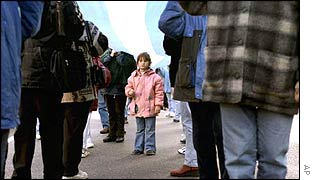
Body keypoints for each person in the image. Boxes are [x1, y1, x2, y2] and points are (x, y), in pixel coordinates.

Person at [179, 1, 299, 179]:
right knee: (237, 163)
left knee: (273, 163)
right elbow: (193, 6)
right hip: (231, 73)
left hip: (278, 72)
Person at [159, 1, 228, 178]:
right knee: (203, 139)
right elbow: (167, 23)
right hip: (197, 85)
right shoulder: (191, 14)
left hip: (225, 85)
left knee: (225, 139)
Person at [1, 2, 43, 179]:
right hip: (34, 77)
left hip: (25, 79)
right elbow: (30, 22)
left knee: (25, 130)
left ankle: (21, 172)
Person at [61, 20, 108, 179]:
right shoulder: (84, 24)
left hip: (55, 83)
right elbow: (101, 47)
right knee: (74, 130)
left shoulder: (45, 20)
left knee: (56, 130)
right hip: (81, 86)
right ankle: (70, 170)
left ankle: (58, 169)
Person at [125, 52, 164, 156]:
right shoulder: (133, 76)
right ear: (137, 63)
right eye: (140, 61)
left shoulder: (156, 77)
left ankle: (150, 148)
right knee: (140, 129)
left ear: (149, 63)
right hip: (138, 106)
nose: (143, 63)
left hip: (150, 107)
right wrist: (129, 92)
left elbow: (159, 93)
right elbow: (128, 87)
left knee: (150, 129)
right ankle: (138, 147)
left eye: (145, 61)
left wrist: (158, 105)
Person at [101, 48, 137, 143]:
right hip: (108, 86)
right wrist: (111, 56)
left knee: (119, 111)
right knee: (111, 111)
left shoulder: (127, 54)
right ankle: (112, 133)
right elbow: (102, 63)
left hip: (121, 86)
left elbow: (127, 65)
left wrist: (119, 55)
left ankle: (120, 133)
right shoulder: (107, 53)